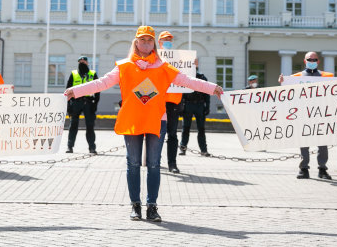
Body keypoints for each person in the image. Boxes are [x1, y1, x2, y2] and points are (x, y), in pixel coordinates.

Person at [65, 26, 222, 222]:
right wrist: (76, 90)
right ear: (136, 42)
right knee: (133, 164)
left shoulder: (164, 67)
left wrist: (212, 88)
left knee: (154, 164)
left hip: (157, 120)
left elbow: (187, 81)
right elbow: (102, 83)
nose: (146, 43)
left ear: (153, 44)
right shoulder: (124, 66)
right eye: (143, 39)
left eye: (149, 40)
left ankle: (152, 206)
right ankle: (136, 206)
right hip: (132, 120)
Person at [279, 51, 334, 180]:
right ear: (305, 61)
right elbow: (287, 93)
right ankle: (304, 168)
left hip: (321, 114)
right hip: (303, 114)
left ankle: (322, 169)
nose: (312, 62)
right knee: (304, 142)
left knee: (322, 142)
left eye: (315, 60)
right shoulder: (295, 77)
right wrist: (282, 82)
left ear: (318, 62)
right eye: (310, 59)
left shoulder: (327, 76)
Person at [158, 30, 182, 173]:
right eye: (165, 39)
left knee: (172, 134)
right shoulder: (155, 59)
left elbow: (185, 77)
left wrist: (193, 66)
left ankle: (172, 164)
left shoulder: (179, 59)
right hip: (158, 102)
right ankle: (154, 161)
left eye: (170, 40)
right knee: (157, 133)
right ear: (159, 42)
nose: (168, 42)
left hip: (173, 102)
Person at [65, 56, 100, 154]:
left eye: (84, 61)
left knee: (90, 126)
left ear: (87, 63)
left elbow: (98, 90)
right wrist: (69, 106)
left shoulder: (92, 74)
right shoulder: (74, 74)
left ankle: (92, 148)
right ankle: (69, 147)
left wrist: (95, 104)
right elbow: (67, 89)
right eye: (80, 61)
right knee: (73, 125)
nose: (82, 63)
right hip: (76, 102)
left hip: (88, 102)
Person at [179, 58, 211, 157]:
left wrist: (207, 106)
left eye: (195, 63)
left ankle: (203, 150)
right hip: (188, 105)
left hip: (199, 105)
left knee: (201, 129)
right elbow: (181, 93)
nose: (194, 65)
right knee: (186, 128)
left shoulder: (202, 77)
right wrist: (181, 107)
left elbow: (207, 93)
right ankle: (183, 148)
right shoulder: (185, 77)